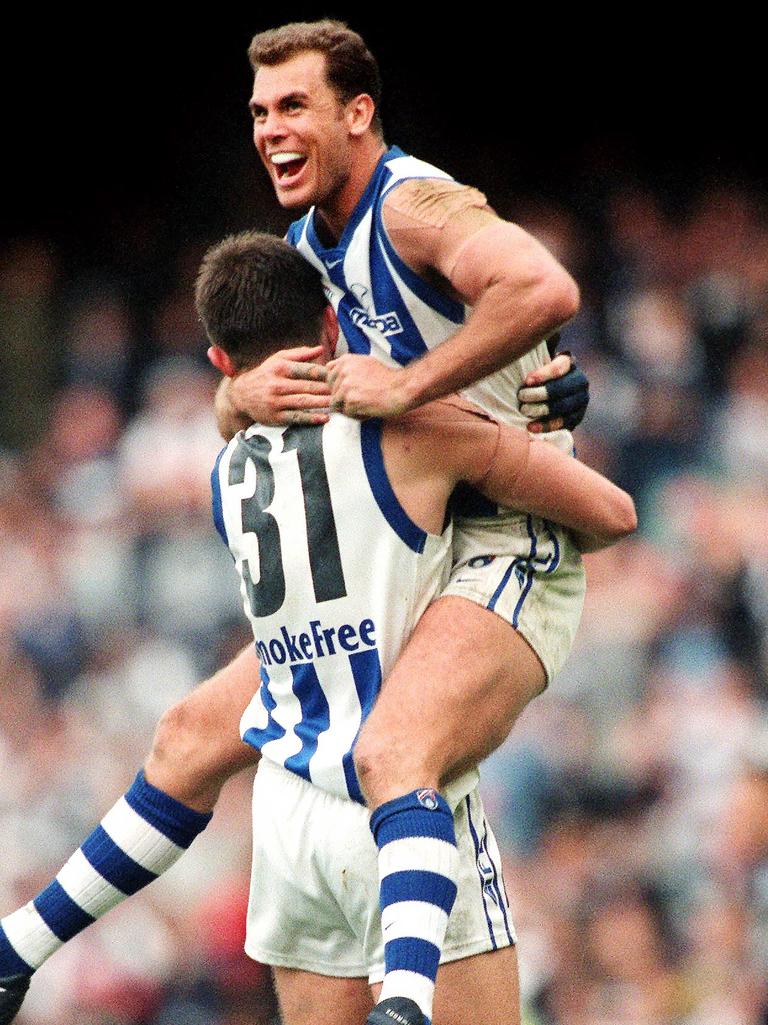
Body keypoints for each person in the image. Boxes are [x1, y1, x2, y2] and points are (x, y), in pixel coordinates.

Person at [0, 20, 592, 1025]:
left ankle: (404, 1004)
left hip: (505, 541)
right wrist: (242, 404)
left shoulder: (412, 206)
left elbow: (542, 288)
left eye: (294, 106)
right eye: (260, 111)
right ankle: (13, 954)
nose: (271, 128)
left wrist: (418, 389)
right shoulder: (305, 249)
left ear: (358, 114)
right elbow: (253, 396)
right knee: (191, 731)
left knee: (394, 749)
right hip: (408, 549)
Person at [203, 231, 632, 1025]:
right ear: (334, 329)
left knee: (184, 740)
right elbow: (611, 514)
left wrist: (231, 404)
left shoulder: (223, 472)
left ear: (223, 362)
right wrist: (521, 430)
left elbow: (245, 417)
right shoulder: (409, 429)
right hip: (406, 820)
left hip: (291, 809)